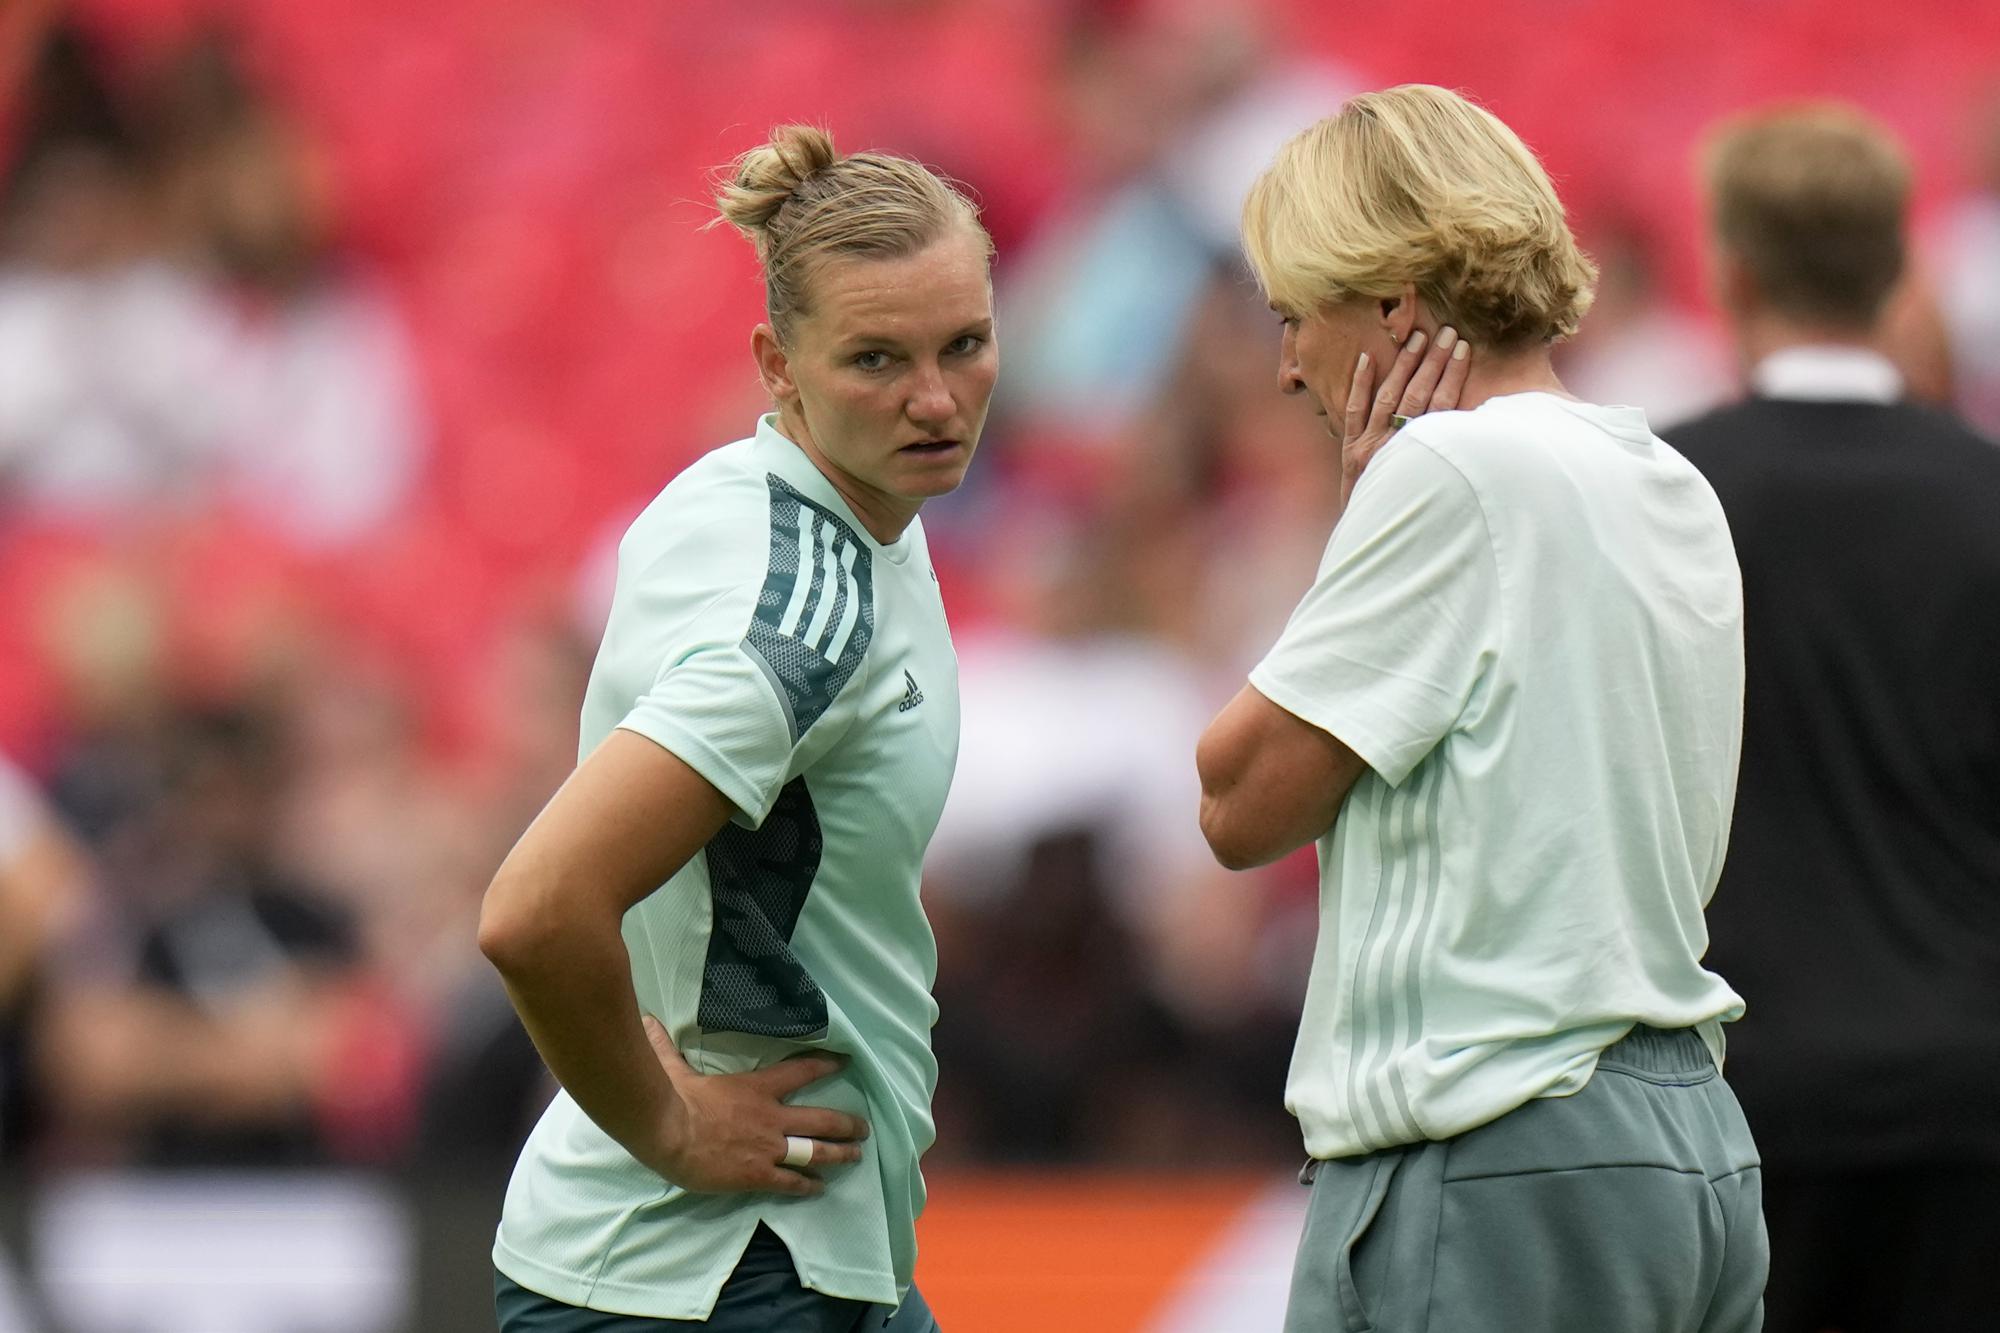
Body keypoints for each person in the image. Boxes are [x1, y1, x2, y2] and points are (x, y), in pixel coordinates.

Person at [1195, 85, 1766, 1332]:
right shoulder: (1666, 471)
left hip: (1497, 1145)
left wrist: (1346, 521)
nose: (1288, 363)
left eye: (1296, 315)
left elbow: (1235, 800)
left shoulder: (1448, 470)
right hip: (1686, 1146)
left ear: (1394, 303)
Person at [479, 124, 995, 1330]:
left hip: (787, 1254)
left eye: (964, 344)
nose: (934, 399)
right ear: (778, 364)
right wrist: (668, 1123)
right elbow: (534, 909)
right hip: (714, 1270)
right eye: (875, 359)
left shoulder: (765, 495)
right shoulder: (805, 624)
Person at [1666, 102, 2000, 1333]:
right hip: (1968, 1109)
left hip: (1730, 1105)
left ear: (1731, 270)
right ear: (1896, 269)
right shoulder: (1986, 497)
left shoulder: (1652, 496)